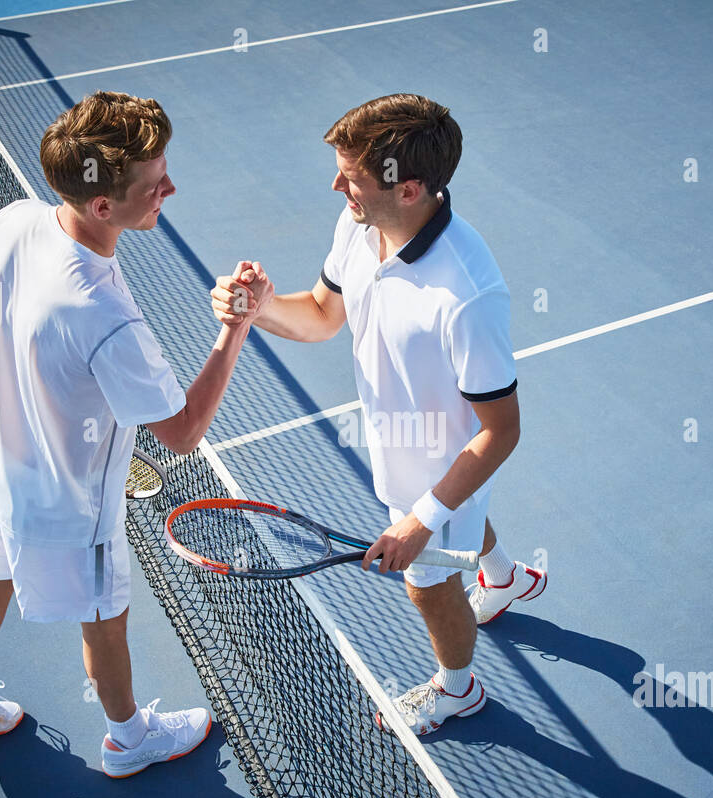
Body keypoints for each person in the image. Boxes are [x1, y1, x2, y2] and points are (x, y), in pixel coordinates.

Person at [0, 91, 264, 777]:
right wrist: (236, 328)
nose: (171, 187)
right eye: (155, 182)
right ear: (104, 205)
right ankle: (128, 740)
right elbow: (184, 431)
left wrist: (14, 397)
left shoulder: (15, 221)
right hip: (71, 509)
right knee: (105, 618)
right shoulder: (107, 315)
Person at [211, 93, 546, 735]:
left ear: (411, 188)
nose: (337, 186)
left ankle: (458, 689)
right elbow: (320, 314)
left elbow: (501, 431)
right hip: (399, 450)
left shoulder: (467, 297)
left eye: (351, 177)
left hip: (442, 471)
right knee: (457, 526)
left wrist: (421, 522)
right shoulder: (361, 227)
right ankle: (503, 578)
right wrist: (256, 307)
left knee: (426, 584)